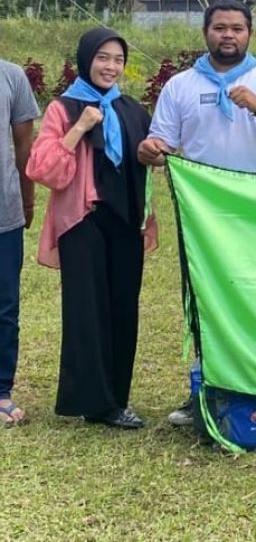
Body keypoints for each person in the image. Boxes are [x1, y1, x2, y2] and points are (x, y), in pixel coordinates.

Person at [137, 0, 256, 426]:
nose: (228, 35)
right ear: (205, 33)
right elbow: (161, 146)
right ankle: (208, 387)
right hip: (204, 216)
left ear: (250, 34)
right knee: (208, 301)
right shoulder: (180, 86)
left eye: (237, 28)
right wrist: (150, 150)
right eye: (220, 28)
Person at [26, 28, 157, 429]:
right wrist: (80, 127)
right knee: (86, 310)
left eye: (117, 59)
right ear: (86, 60)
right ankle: (91, 401)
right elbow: (42, 169)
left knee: (122, 307)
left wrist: (158, 155)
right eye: (102, 58)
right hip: (83, 222)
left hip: (126, 220)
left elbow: (152, 154)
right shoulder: (64, 108)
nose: (110, 66)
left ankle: (116, 399)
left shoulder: (132, 110)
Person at [0, 57, 38, 426]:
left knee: (4, 308)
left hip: (4, 212)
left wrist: (27, 199)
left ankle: (1, 392)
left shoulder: (11, 76)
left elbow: (25, 149)